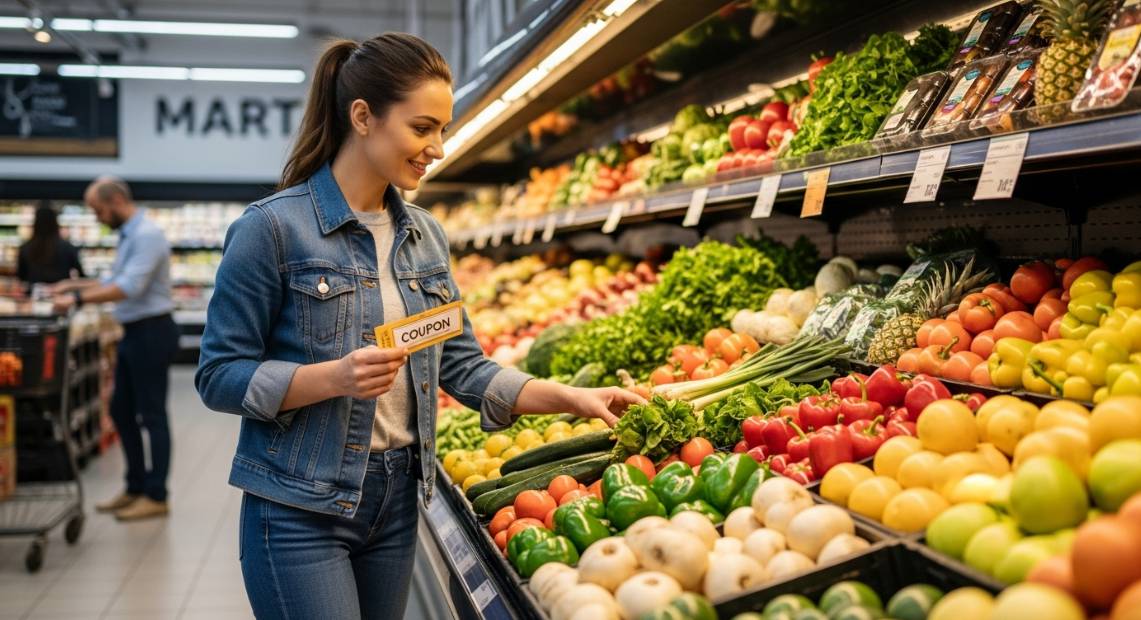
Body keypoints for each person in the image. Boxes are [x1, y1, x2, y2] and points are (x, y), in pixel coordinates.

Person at [194, 33, 644, 620]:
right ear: (363, 117)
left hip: (398, 497)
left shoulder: (423, 235)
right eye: (422, 127)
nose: (436, 147)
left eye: (442, 130)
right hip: (300, 506)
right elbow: (219, 375)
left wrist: (571, 399)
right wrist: (334, 377)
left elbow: (462, 364)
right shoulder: (273, 230)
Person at [52, 177, 178, 521]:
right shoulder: (129, 236)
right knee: (121, 411)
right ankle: (135, 486)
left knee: (152, 415)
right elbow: (113, 279)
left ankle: (157, 495)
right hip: (133, 332)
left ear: (116, 200)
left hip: (152, 331)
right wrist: (72, 284)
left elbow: (129, 286)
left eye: (98, 209)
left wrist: (76, 298)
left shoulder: (146, 235)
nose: (97, 217)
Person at [18, 205, 84, 292]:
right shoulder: (67, 247)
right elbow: (81, 275)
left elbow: (21, 276)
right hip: (62, 297)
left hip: (33, 295)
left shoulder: (25, 248)